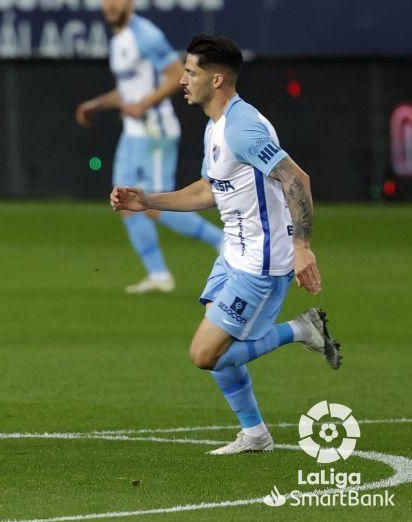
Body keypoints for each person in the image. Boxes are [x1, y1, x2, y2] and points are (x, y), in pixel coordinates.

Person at [111, 35, 342, 454]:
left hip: (261, 264)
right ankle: (255, 433)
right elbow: (208, 191)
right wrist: (147, 200)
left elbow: (296, 180)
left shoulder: (243, 127)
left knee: (206, 354)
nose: (182, 79)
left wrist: (303, 246)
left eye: (191, 72)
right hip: (232, 255)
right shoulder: (216, 126)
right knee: (216, 344)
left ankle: (301, 329)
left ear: (217, 79)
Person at [76, 0, 223, 294]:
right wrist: (98, 104)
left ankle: (225, 242)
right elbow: (129, 89)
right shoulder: (120, 40)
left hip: (154, 131)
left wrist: (144, 104)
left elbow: (174, 74)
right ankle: (159, 275)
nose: (110, 6)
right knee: (124, 201)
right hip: (133, 133)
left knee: (154, 206)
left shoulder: (146, 34)